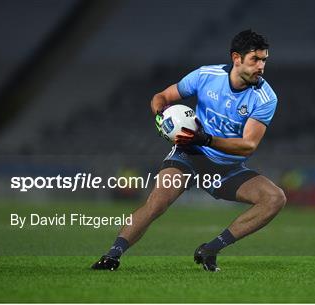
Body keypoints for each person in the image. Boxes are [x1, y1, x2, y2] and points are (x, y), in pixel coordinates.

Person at [91, 29, 286, 272]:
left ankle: (211, 249)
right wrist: (162, 117)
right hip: (190, 155)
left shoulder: (265, 98)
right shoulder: (206, 75)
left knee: (275, 198)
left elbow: (248, 145)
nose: (261, 66)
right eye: (255, 60)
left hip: (226, 168)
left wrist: (205, 138)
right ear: (236, 58)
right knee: (157, 203)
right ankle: (112, 256)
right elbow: (161, 96)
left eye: (264, 60)